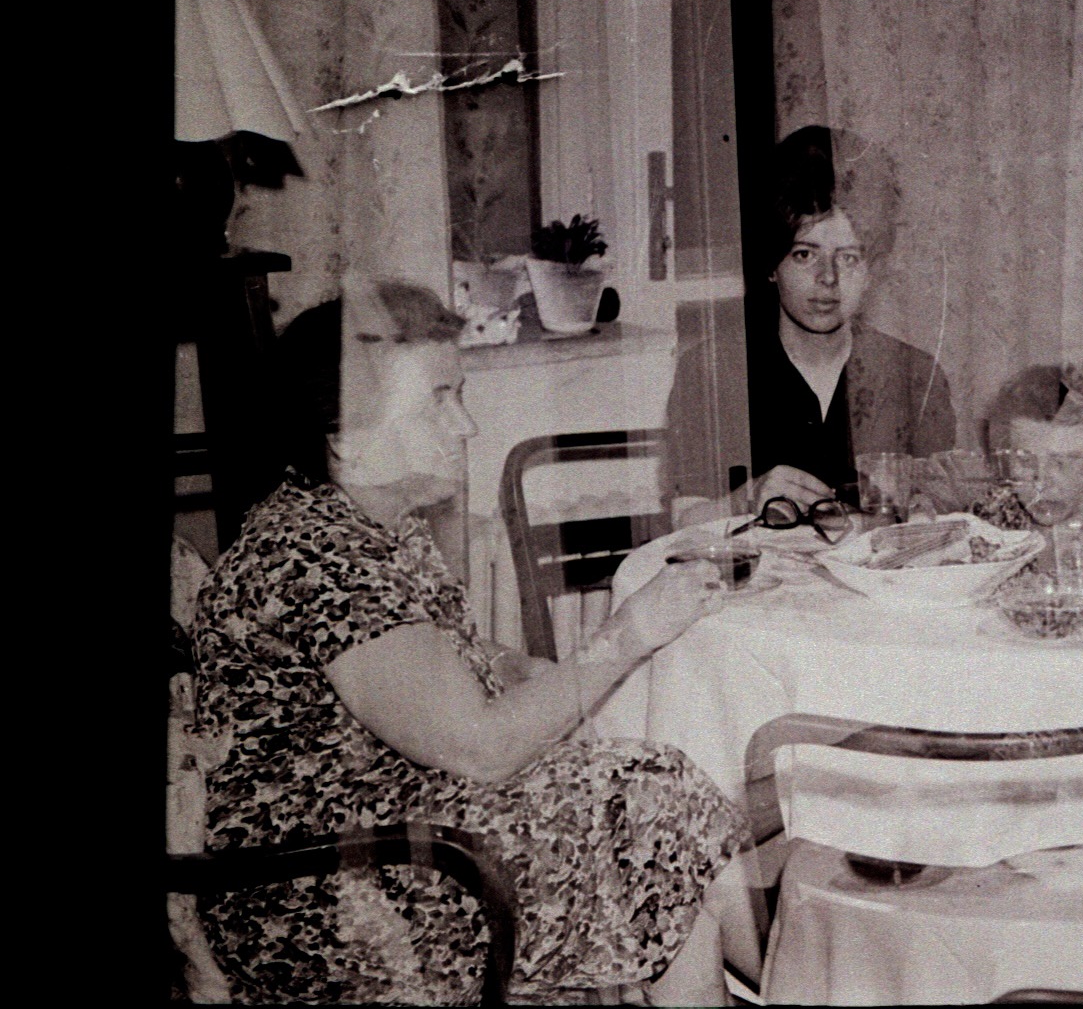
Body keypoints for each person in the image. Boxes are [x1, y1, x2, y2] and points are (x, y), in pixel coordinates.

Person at [191, 282, 747, 1005]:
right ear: (346, 440)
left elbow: (452, 660)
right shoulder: (313, 556)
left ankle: (768, 966)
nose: (467, 427)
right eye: (439, 401)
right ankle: (790, 965)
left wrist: (547, 675)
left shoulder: (377, 521)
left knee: (654, 797)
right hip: (315, 898)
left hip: (390, 830)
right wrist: (627, 635)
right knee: (653, 813)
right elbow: (479, 747)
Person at [743, 125, 955, 509]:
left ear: (873, 270)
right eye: (804, 254)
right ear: (771, 265)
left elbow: (943, 510)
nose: (828, 279)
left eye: (848, 257)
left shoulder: (918, 377)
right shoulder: (715, 374)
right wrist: (742, 499)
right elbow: (676, 520)